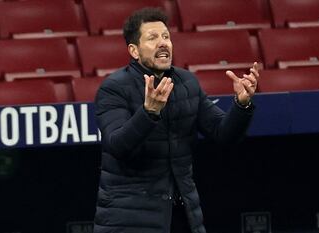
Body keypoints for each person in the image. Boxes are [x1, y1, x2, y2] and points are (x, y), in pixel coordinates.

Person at [93, 7, 259, 233]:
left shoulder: (187, 83)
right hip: (129, 218)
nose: (163, 43)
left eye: (166, 37)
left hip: (183, 216)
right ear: (134, 50)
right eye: (152, 38)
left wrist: (242, 105)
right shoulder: (113, 88)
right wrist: (148, 112)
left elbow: (223, 133)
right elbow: (117, 146)